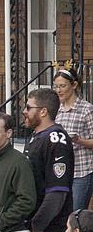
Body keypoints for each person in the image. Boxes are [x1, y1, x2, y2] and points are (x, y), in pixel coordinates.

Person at [22, 88, 74, 232]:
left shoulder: (56, 139)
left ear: (43, 111)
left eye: (28, 107)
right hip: (33, 227)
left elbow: (57, 192)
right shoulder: (37, 136)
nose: (24, 111)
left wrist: (37, 225)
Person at [50, 68, 93, 210]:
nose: (59, 90)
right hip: (62, 170)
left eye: (62, 86)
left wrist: (77, 140)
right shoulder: (56, 110)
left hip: (82, 171)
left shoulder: (87, 109)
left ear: (73, 85)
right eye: (56, 86)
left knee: (75, 213)